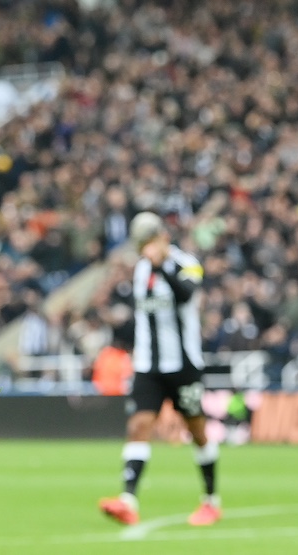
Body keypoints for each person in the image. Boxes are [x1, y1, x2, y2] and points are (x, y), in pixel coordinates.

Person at [98, 212, 222, 526]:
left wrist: (162, 266)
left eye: (148, 242)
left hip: (183, 366)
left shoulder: (187, 263)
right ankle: (128, 499)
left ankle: (210, 500)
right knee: (139, 424)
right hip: (148, 366)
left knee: (197, 431)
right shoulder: (141, 269)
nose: (145, 250)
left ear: (163, 238)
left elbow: (187, 295)